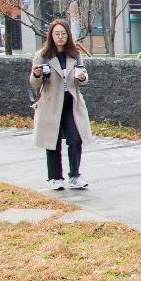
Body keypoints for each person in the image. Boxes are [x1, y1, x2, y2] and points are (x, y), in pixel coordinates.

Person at [30, 19, 93, 190]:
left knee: (75, 138)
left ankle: (75, 175)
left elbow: (83, 76)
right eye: (56, 34)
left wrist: (82, 77)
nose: (60, 37)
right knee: (53, 140)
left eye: (63, 34)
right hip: (51, 103)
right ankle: (55, 177)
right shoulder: (42, 55)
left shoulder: (74, 54)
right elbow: (35, 83)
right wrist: (36, 75)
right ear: (51, 35)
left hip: (71, 102)